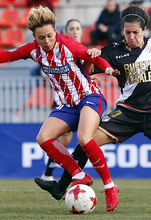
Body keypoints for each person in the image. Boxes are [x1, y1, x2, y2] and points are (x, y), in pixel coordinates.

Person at [35, 5, 151, 214]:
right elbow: (88, 67)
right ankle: (60, 187)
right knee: (86, 140)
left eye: (135, 32)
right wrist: (88, 66)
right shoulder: (113, 51)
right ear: (123, 31)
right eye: (127, 32)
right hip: (126, 112)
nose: (131, 36)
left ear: (144, 30)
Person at [0, 6, 120, 212]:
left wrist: (107, 67)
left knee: (83, 138)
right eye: (41, 38)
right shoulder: (32, 50)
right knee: (43, 138)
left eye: (49, 35)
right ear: (34, 37)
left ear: (55, 31)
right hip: (67, 105)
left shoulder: (67, 43)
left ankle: (110, 187)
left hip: (90, 97)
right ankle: (79, 174)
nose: (46, 41)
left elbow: (91, 57)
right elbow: (2, 58)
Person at [39, 19, 101, 181]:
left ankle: (71, 178)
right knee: (63, 141)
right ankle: (49, 174)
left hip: (86, 99)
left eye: (77, 28)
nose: (74, 31)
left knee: (85, 139)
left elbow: (90, 71)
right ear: (65, 32)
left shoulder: (85, 52)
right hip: (64, 102)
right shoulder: (59, 49)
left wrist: (91, 77)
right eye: (71, 29)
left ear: (82, 31)